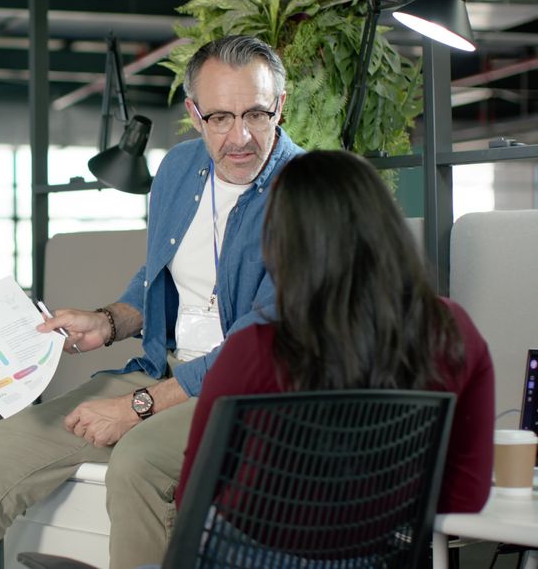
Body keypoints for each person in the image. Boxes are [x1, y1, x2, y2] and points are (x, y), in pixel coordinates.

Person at [0, 35, 304, 569]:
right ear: (193, 113)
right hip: (162, 369)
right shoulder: (180, 170)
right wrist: (108, 321)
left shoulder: (308, 190)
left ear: (281, 104)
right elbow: (162, 278)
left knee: (137, 460)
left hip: (247, 392)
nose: (241, 137)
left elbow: (264, 343)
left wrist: (140, 406)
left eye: (255, 113)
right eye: (220, 118)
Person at [174, 150, 494, 557]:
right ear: (387, 227)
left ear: (282, 243)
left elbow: (193, 499)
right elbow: (465, 495)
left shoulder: (253, 350)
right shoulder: (451, 332)